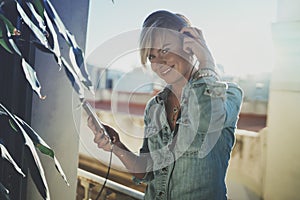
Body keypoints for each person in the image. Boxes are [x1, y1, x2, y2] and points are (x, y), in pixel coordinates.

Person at [88, 10, 243, 200]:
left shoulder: (228, 95)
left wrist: (206, 60)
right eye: (151, 56)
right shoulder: (154, 108)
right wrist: (116, 145)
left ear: (190, 47)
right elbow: (148, 172)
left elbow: (204, 120)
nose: (158, 63)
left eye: (164, 50)